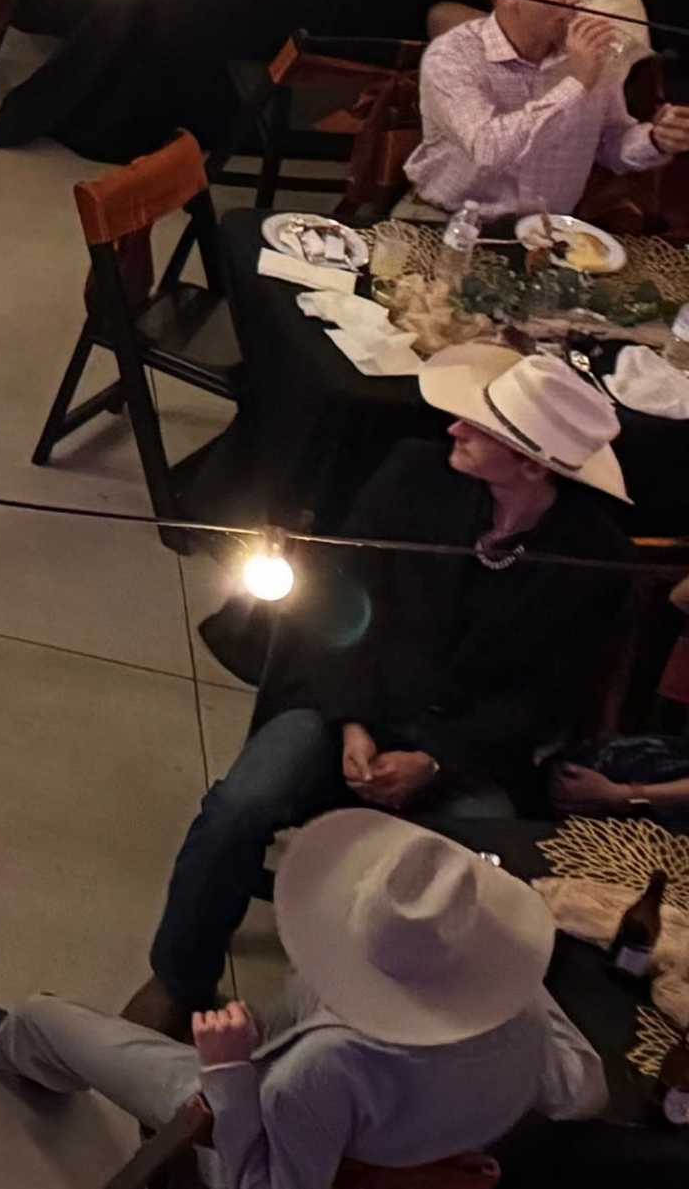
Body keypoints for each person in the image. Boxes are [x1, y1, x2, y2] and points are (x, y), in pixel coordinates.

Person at [122, 345, 638, 1036]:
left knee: (477, 871)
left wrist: (435, 761)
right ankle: (179, 976)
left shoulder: (593, 559)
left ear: (533, 465)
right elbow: (333, 602)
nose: (454, 427)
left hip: (466, 747)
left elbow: (546, 703)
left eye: (481, 426)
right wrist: (355, 724)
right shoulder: (412, 474)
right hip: (347, 699)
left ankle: (378, 1025)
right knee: (241, 806)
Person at [0, 811, 605, 1184]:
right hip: (404, 1148)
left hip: (288, 1137)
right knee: (287, 1008)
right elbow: (583, 1090)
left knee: (51, 1018)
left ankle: (15, 1048)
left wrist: (226, 1071)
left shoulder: (324, 1069)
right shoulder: (519, 1012)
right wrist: (512, 978)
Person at [408, 0, 689, 219]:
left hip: (549, 229)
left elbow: (612, 144)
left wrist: (656, 139)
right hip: (449, 216)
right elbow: (487, 151)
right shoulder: (452, 57)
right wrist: (575, 85)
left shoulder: (595, 55)